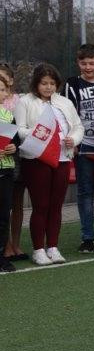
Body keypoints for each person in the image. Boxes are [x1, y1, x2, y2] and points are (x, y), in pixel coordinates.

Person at [14, 64, 84, 266]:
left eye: (52, 83)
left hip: (62, 158)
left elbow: (78, 126)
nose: (48, 87)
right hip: (37, 159)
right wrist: (43, 135)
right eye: (44, 83)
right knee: (41, 205)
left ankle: (52, 246)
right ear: (36, 84)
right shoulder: (25, 102)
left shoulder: (64, 102)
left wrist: (73, 139)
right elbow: (20, 130)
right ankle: (38, 250)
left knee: (56, 205)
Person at [63, 44, 94, 253]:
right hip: (84, 146)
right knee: (85, 192)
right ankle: (88, 237)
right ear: (78, 63)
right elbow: (67, 113)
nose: (88, 67)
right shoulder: (72, 84)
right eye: (83, 63)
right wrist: (72, 141)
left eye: (92, 63)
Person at [1, 64, 27, 263]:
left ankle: (14, 244)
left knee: (14, 203)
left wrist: (14, 146)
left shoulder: (18, 102)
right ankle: (6, 246)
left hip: (14, 161)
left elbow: (18, 133)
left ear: (10, 81)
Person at [0, 74, 18, 272]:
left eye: (4, 89)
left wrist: (13, 148)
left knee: (4, 216)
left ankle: (2, 257)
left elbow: (14, 142)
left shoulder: (7, 115)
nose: (2, 93)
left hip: (5, 170)